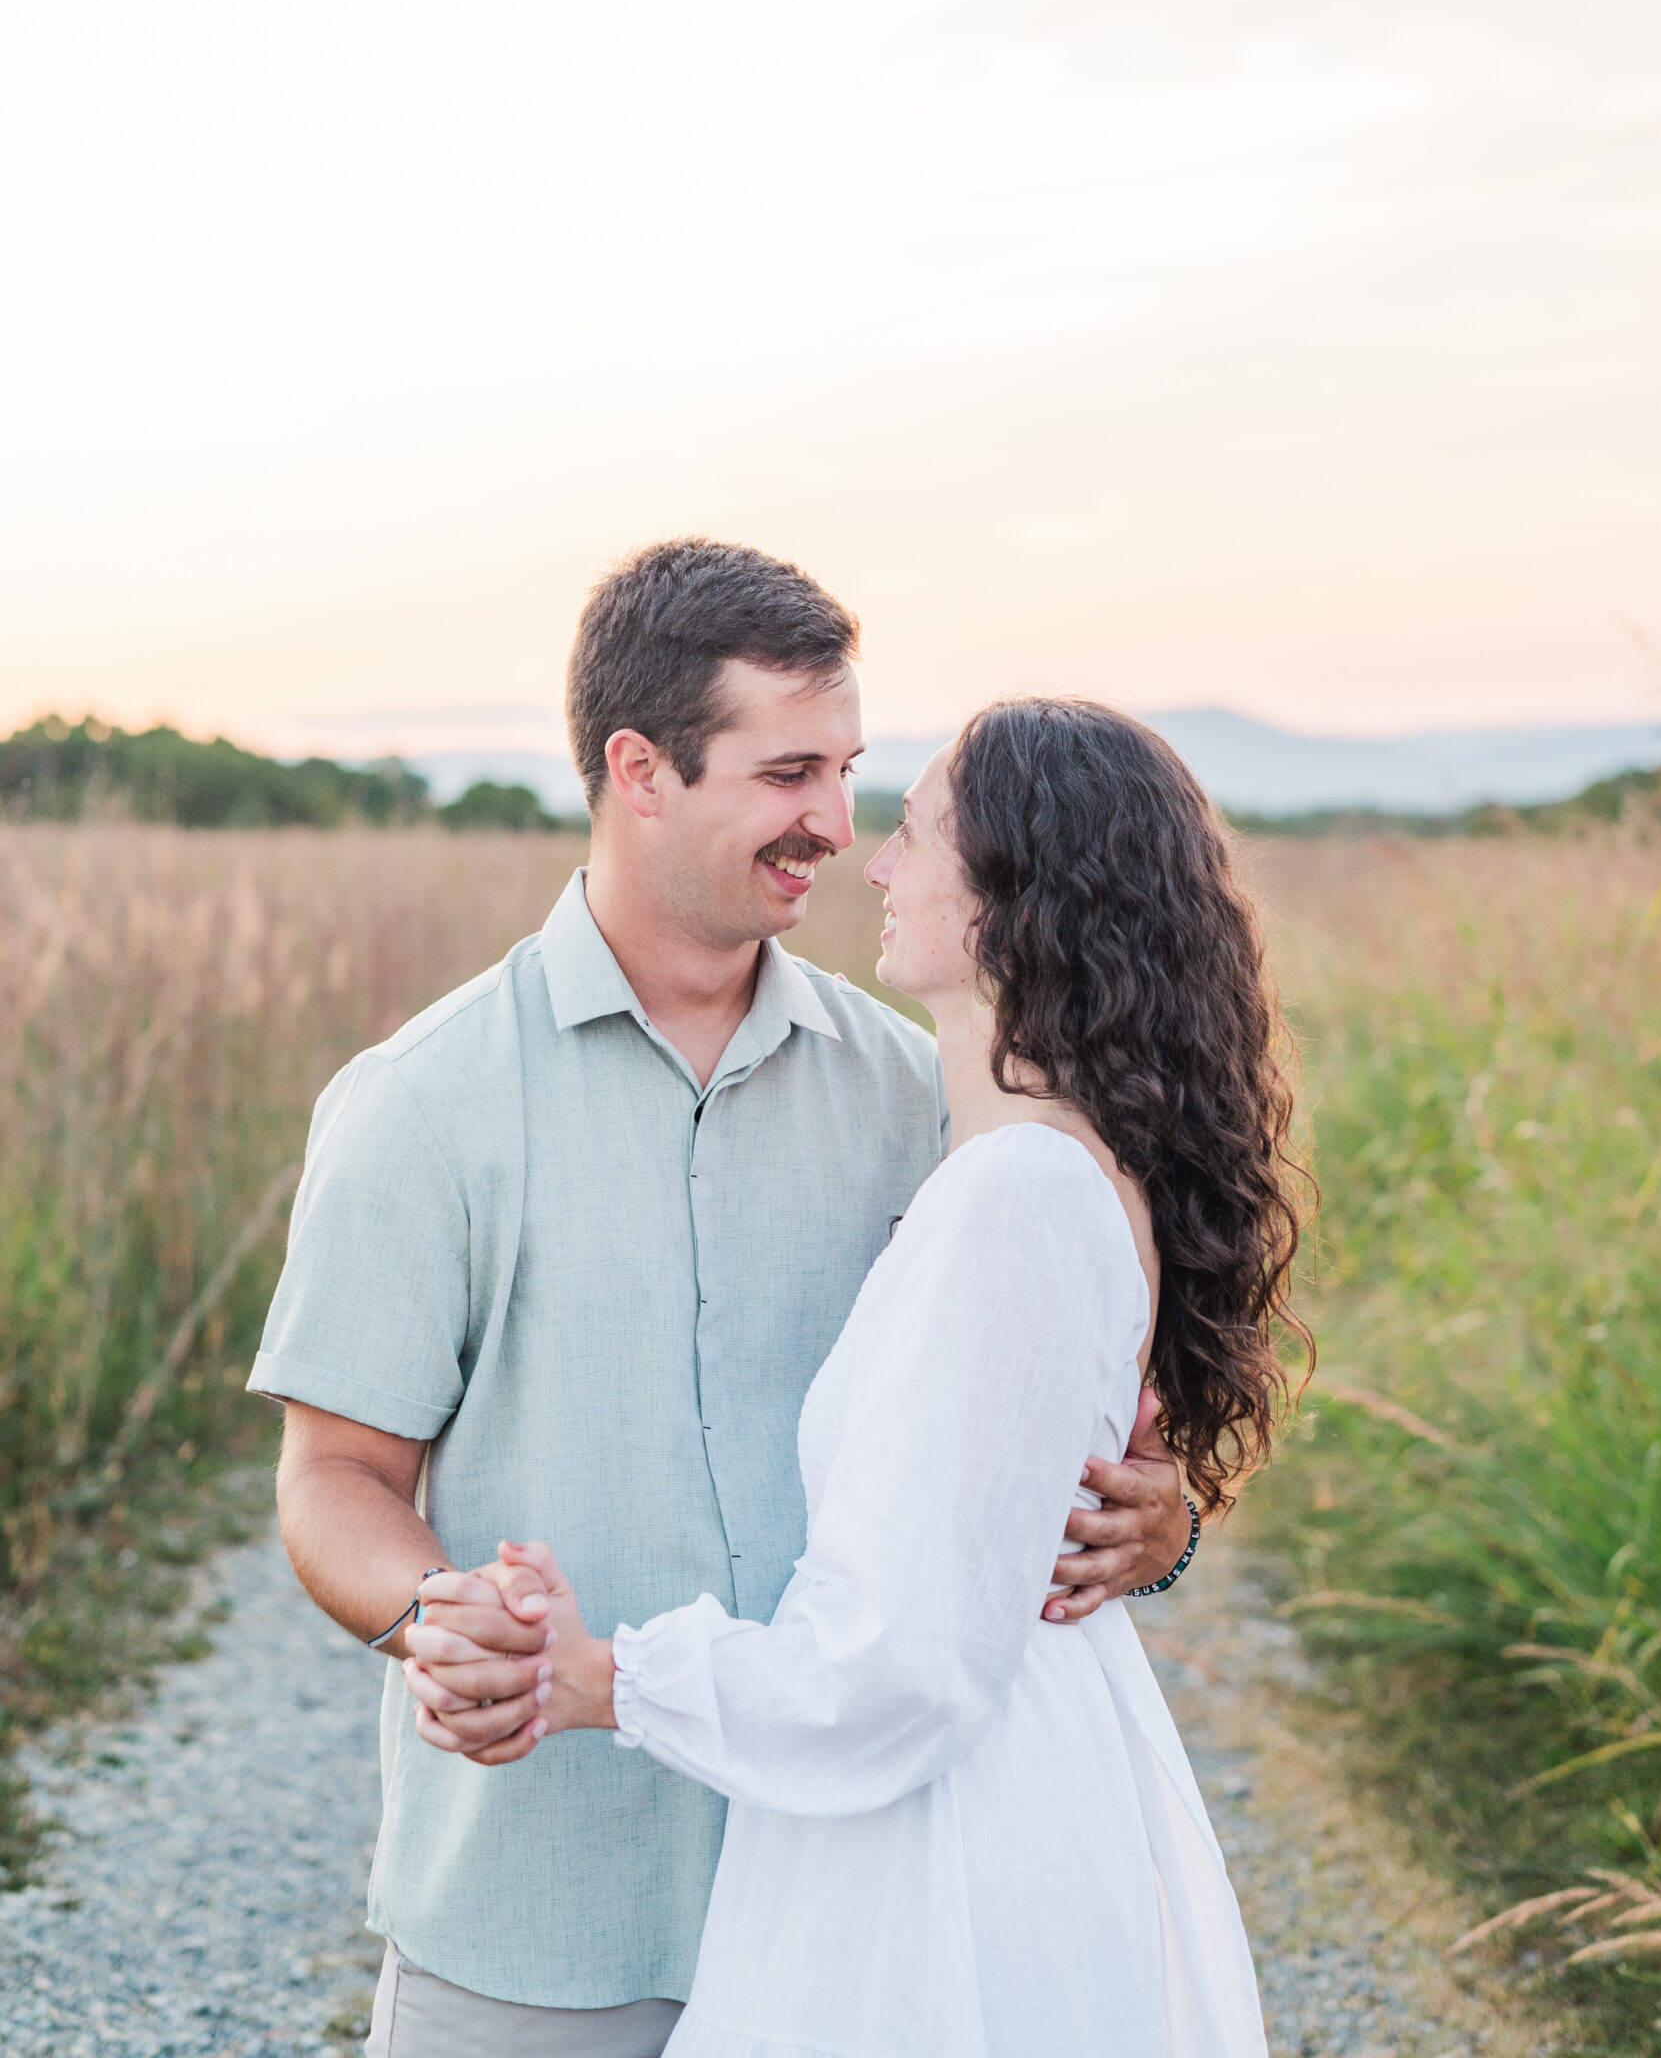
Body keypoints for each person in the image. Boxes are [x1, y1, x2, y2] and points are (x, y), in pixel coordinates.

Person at [250, 541, 1192, 2058]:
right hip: (539, 1914)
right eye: (789, 771)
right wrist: (441, 1614)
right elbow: (335, 1476)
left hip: (855, 1908)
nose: (836, 822)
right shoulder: (419, 1105)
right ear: (640, 769)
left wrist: (1155, 1522)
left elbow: (1021, 1411)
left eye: (850, 769)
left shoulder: (926, 1101)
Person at [407, 698, 1307, 2058]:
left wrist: (601, 1680)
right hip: (969, 1778)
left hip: (949, 1834)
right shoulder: (1005, 1156)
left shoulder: (1012, 1192)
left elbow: (890, 1670)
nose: (870, 863)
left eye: (912, 828)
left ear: (1020, 892)